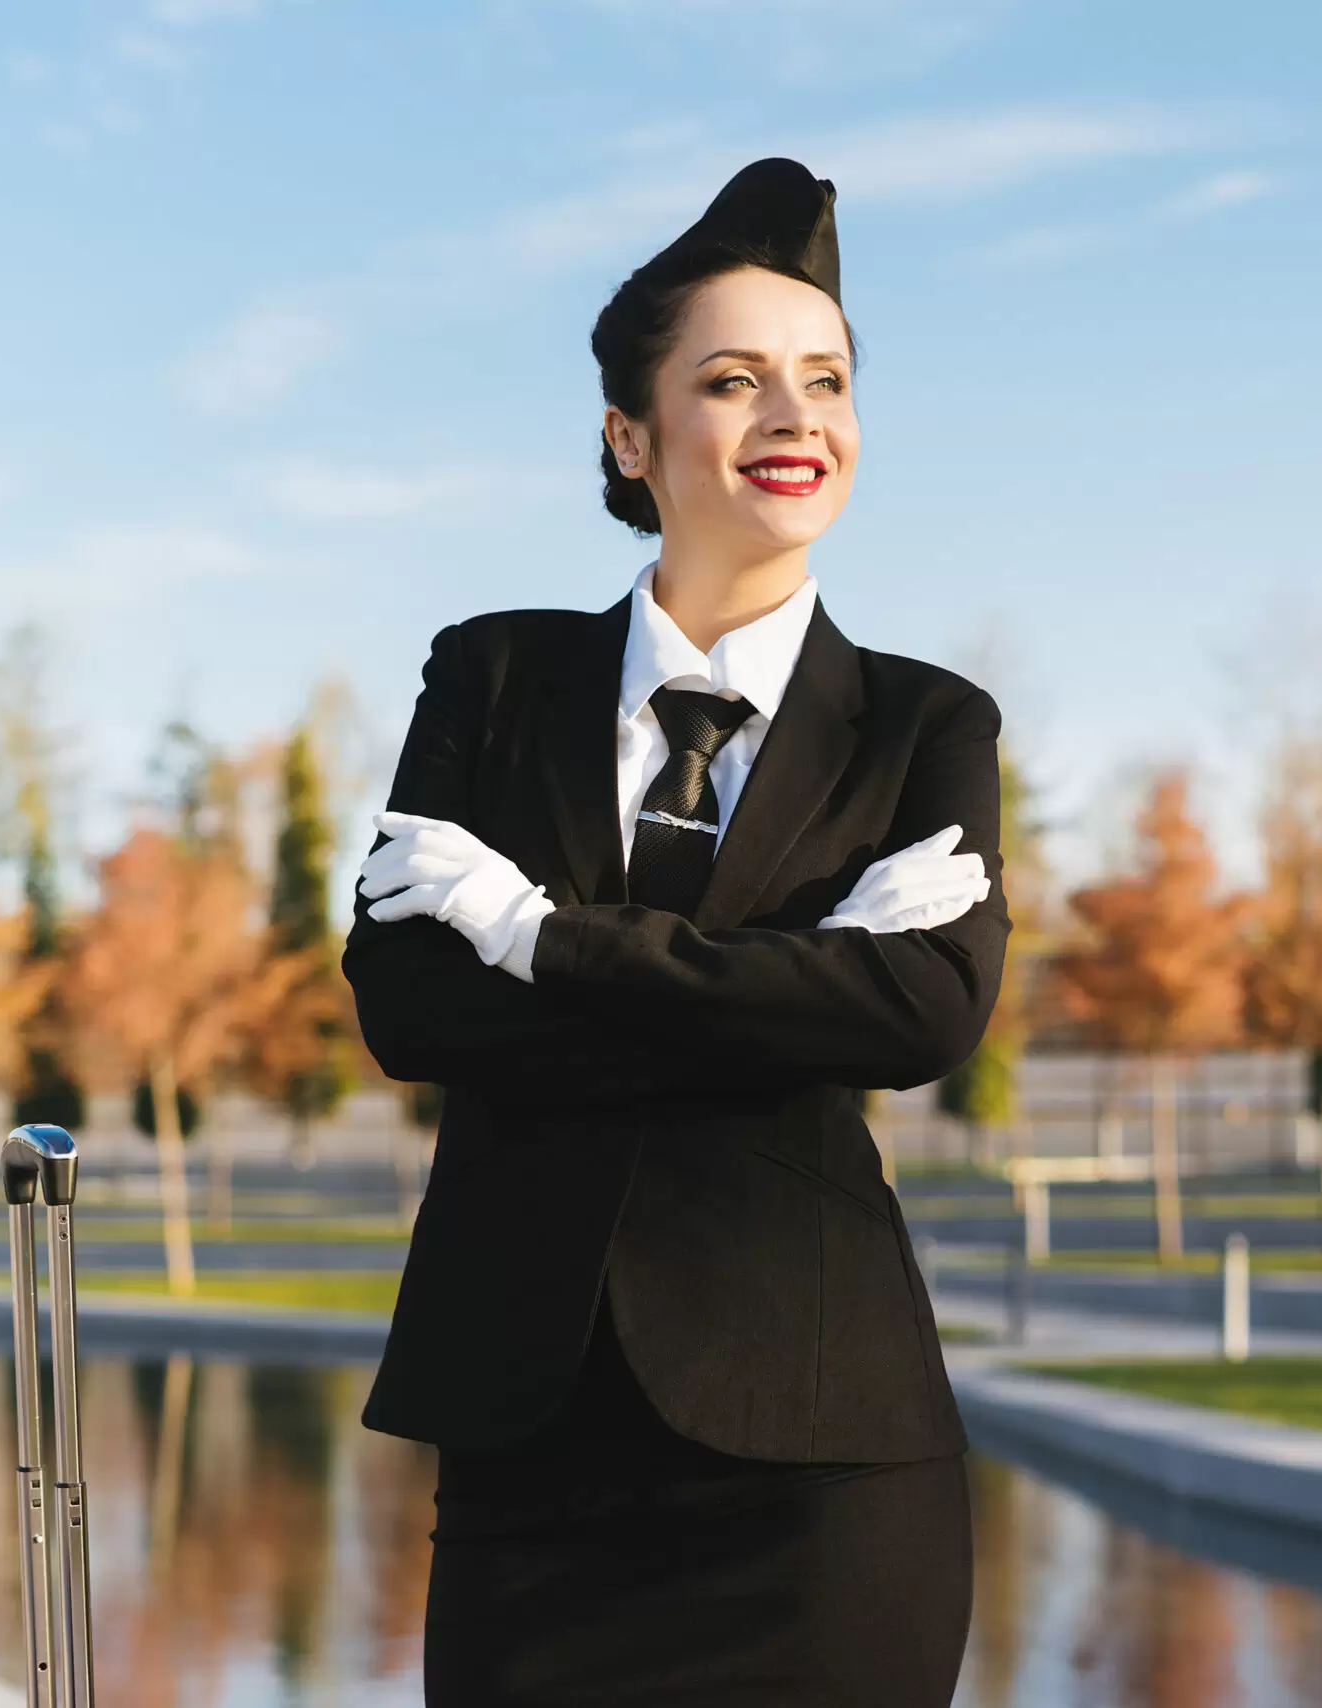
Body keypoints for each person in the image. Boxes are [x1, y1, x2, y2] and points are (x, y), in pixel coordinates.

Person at [342, 157, 1004, 1707]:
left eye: (827, 380)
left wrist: (539, 933)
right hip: (529, 1453)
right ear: (629, 438)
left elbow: (917, 1017)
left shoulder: (926, 722)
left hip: (829, 1472)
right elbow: (414, 1008)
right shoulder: (492, 680)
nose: (798, 416)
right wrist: (793, 979)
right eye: (734, 380)